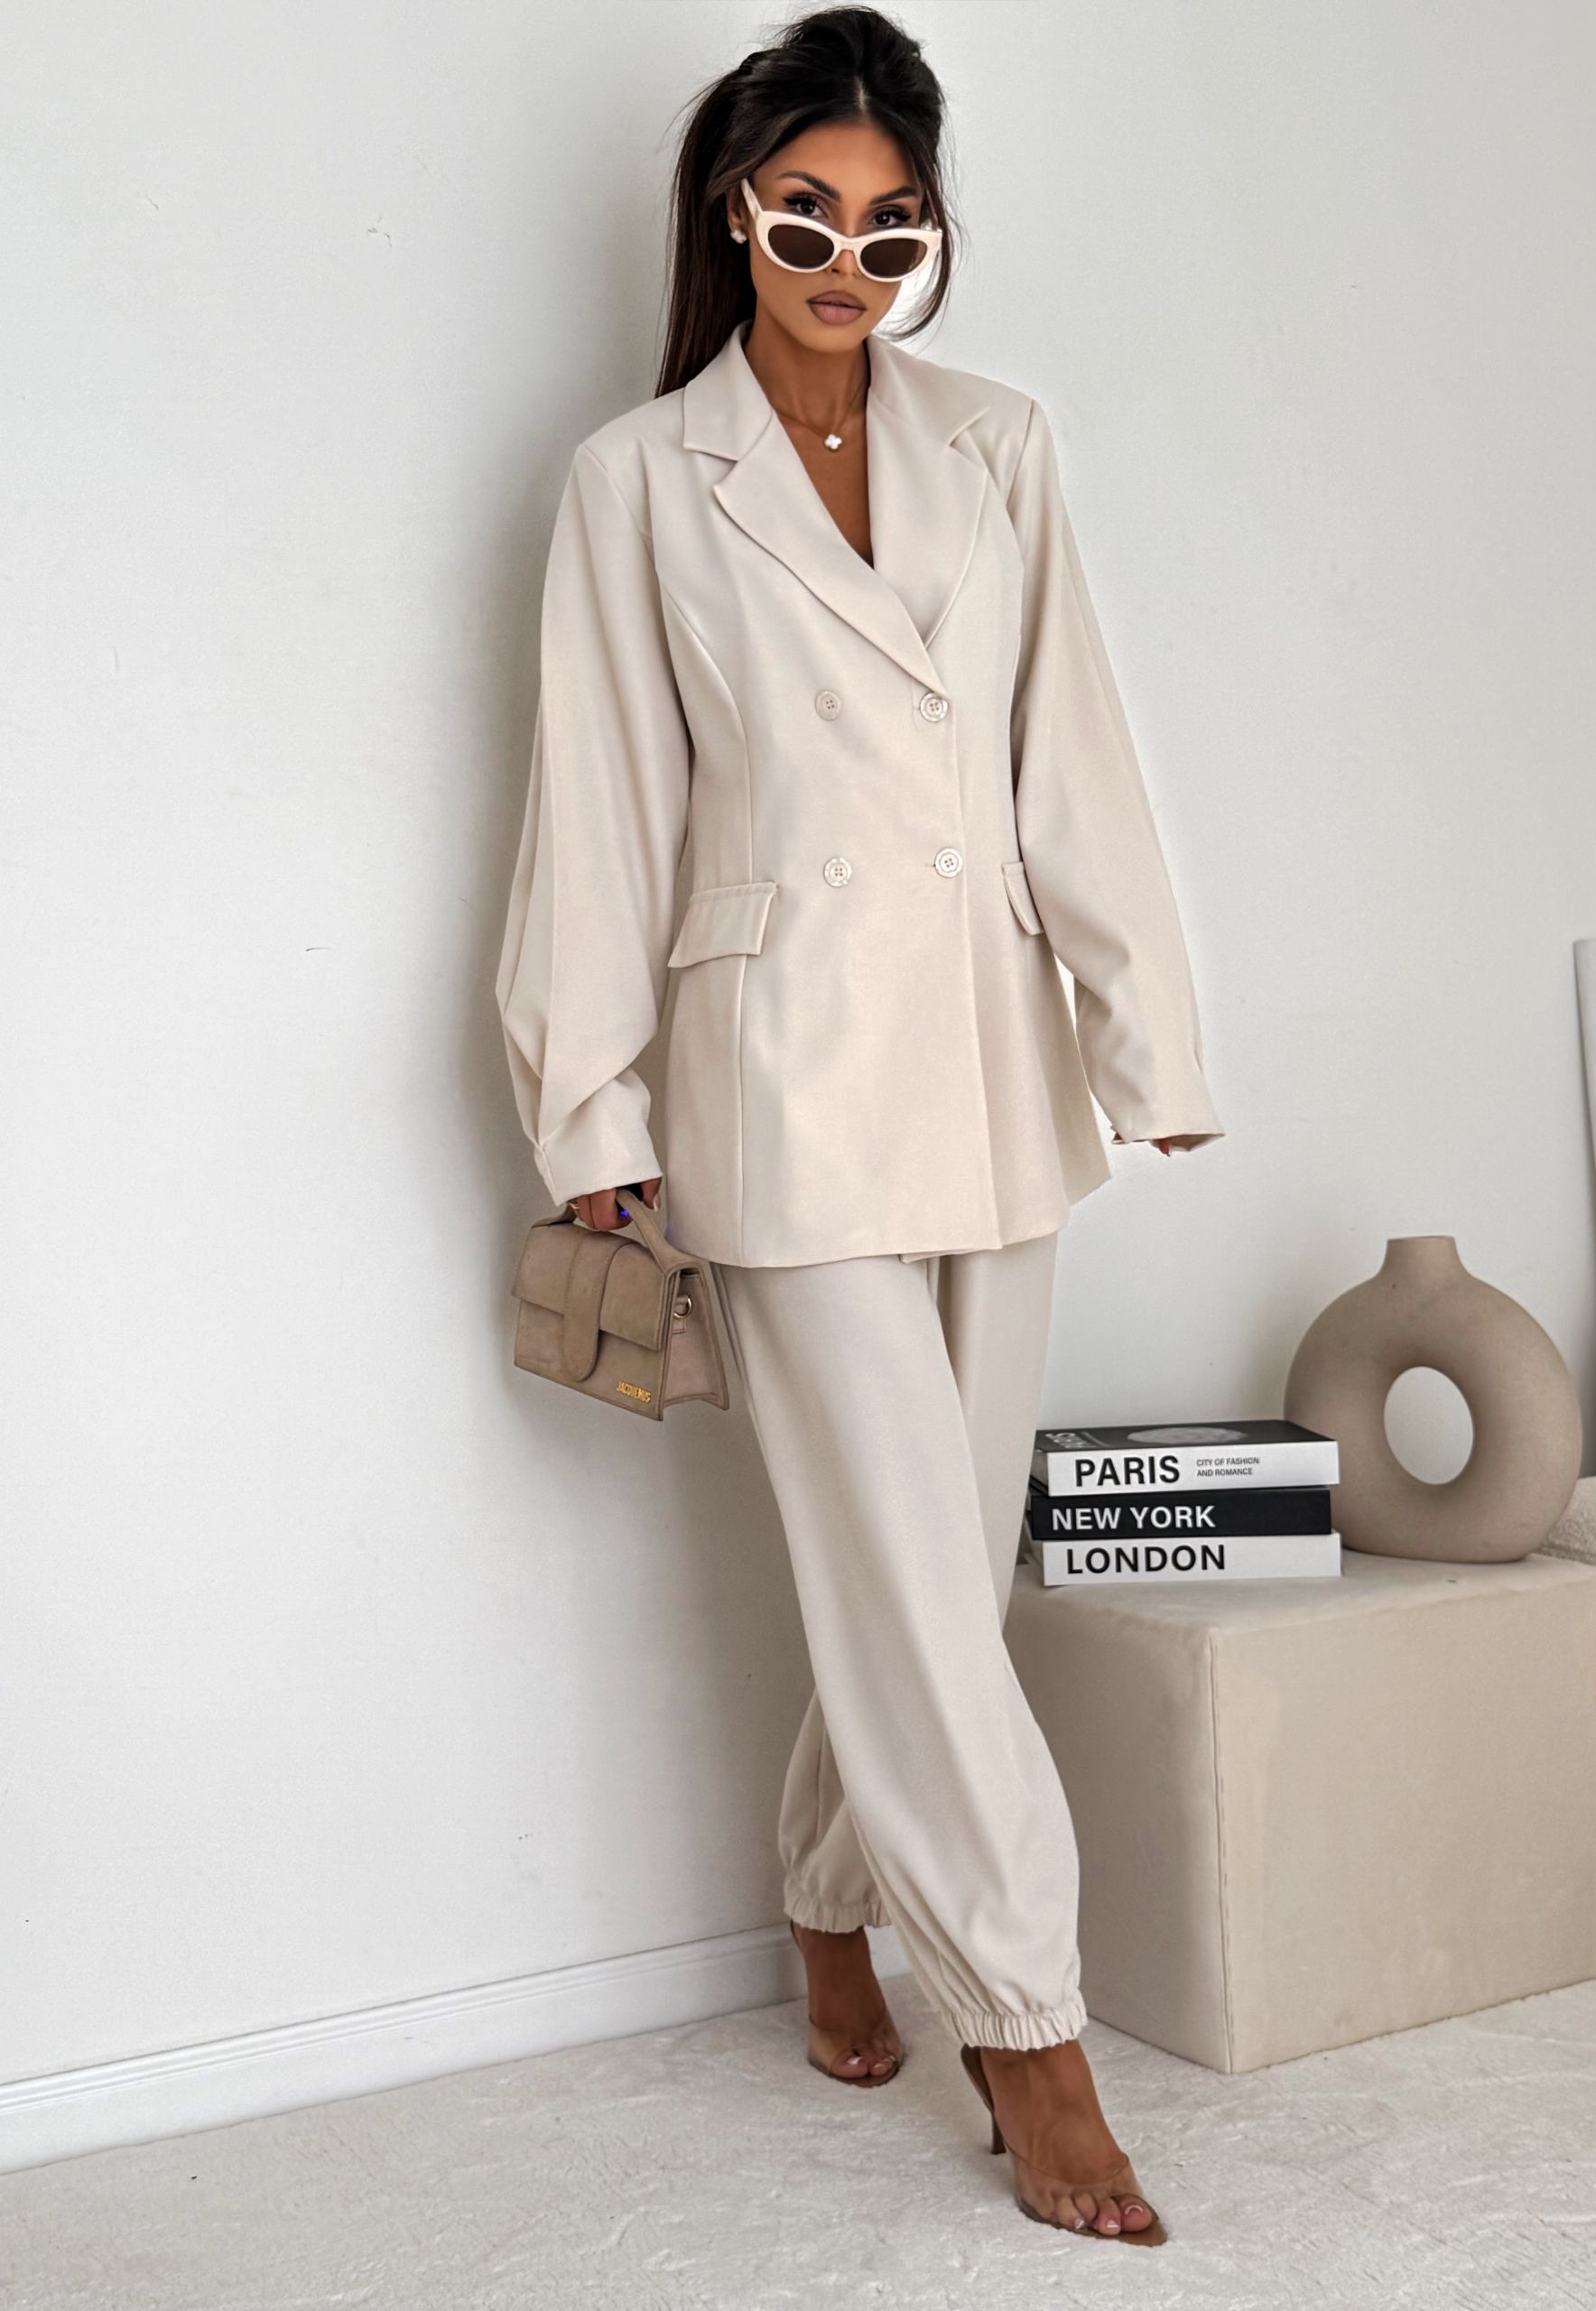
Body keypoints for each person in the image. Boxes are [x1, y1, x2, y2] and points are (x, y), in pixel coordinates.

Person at [496, 5, 1225, 2250]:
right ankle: (1032, 2028)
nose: (846, 261)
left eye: (890, 227)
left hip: (993, 1061)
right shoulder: (640, 479)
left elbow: (1072, 749)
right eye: (805, 217)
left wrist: (1148, 1036)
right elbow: (598, 805)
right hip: (778, 1075)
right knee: (912, 1580)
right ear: (736, 214)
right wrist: (589, 1101)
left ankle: (828, 1892)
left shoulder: (999, 444)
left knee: (935, 1568)